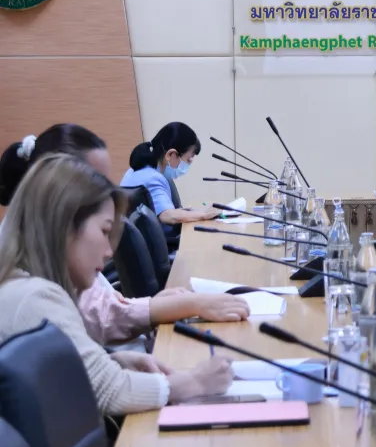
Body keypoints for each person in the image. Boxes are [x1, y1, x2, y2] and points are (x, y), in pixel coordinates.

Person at [0, 154, 232, 415]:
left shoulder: (22, 284)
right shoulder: (35, 296)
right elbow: (108, 392)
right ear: (64, 226)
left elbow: (56, 376)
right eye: (104, 231)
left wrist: (112, 361)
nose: (109, 252)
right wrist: (195, 382)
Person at [0, 124, 250, 347]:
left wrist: (158, 307)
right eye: (92, 181)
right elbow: (94, 333)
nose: (104, 191)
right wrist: (180, 306)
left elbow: (102, 310)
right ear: (54, 189)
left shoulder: (59, 241)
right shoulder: (29, 280)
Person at [122, 122, 219, 235]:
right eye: (188, 160)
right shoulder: (154, 178)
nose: (189, 164)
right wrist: (204, 215)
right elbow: (167, 216)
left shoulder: (133, 171)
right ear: (171, 155)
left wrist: (192, 212)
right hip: (165, 243)